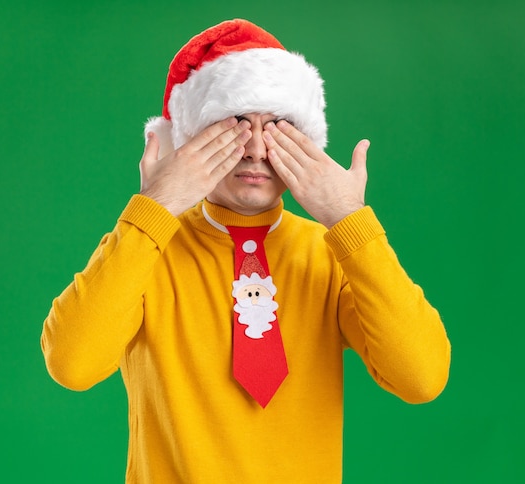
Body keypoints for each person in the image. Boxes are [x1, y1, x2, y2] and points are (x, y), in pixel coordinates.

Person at [41, 18, 451, 483]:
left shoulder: (332, 254)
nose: (256, 148)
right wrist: (154, 209)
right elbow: (72, 365)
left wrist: (349, 221)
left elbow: (421, 378)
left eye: (277, 126)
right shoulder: (146, 249)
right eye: (232, 125)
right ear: (188, 140)